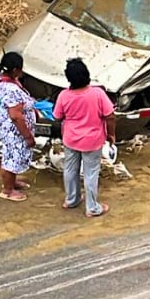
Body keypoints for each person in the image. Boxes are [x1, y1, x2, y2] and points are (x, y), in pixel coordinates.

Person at [53, 58, 115, 218]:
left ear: (69, 78)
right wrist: (111, 134)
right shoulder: (98, 94)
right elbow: (110, 116)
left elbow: (57, 117)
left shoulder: (63, 95)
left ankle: (71, 200)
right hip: (92, 141)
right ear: (86, 74)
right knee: (90, 173)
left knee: (70, 169)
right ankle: (92, 207)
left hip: (71, 139)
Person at [0, 52, 38, 202]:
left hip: (8, 126)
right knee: (11, 159)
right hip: (14, 130)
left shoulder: (1, 79)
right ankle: (7, 190)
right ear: (14, 70)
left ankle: (12, 181)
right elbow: (16, 116)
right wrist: (28, 136)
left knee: (14, 156)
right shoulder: (11, 90)